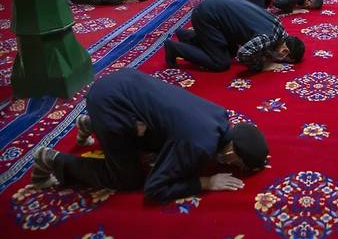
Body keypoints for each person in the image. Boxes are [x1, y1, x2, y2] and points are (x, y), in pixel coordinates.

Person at [31, 68, 269, 203]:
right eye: (237, 163)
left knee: (155, 142)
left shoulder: (219, 117)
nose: (233, 167)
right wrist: (206, 182)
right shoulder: (199, 145)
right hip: (110, 103)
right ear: (231, 151)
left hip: (124, 85)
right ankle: (53, 160)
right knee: (128, 179)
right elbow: (154, 190)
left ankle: (92, 125)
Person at [164, 0, 305, 71]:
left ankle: (186, 36)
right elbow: (244, 53)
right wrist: (263, 66)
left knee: (229, 50)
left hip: (217, 5)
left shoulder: (279, 26)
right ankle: (175, 48)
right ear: (285, 51)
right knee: (221, 63)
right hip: (207, 15)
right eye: (284, 59)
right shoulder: (269, 38)